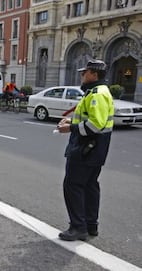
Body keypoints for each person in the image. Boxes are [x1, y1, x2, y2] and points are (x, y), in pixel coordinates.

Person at [56, 59, 114, 241]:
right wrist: (71, 121)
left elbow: (95, 125)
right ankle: (90, 225)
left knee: (73, 186)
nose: (82, 75)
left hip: (86, 149)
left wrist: (70, 128)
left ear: (94, 74)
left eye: (85, 72)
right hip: (94, 150)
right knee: (89, 186)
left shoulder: (96, 94)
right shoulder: (96, 92)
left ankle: (78, 227)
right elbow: (91, 119)